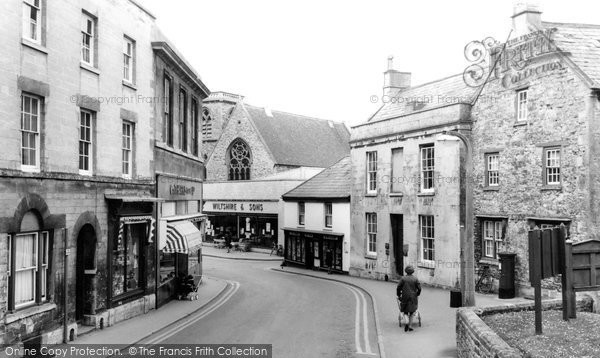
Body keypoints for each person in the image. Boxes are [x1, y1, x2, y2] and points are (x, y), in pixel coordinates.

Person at [397, 265, 421, 332]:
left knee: (405, 311)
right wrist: (417, 293)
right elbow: (419, 288)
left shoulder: (403, 278)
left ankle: (406, 322)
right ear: (412, 271)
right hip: (413, 297)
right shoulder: (415, 279)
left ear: (406, 271)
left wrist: (398, 295)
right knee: (412, 312)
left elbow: (398, 287)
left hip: (404, 296)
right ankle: (410, 326)